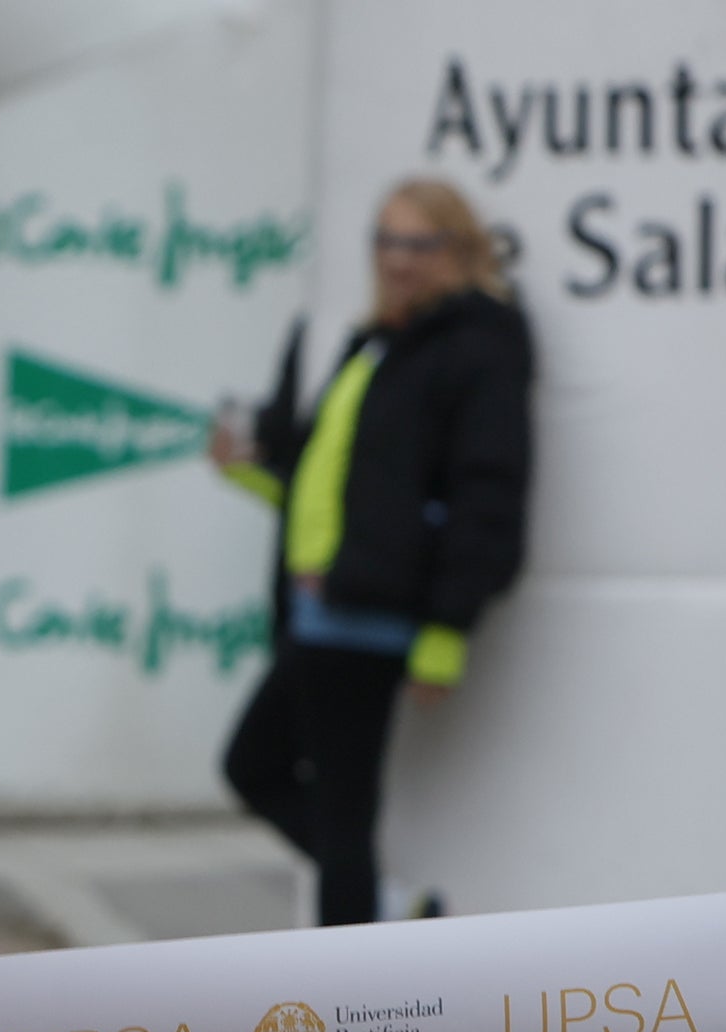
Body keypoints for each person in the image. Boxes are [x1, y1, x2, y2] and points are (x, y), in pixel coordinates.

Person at [214, 178, 533, 925]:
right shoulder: (379, 340)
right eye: (386, 240)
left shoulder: (477, 347)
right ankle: (388, 923)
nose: (397, 259)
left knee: (332, 810)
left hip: (371, 613)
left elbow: (489, 495)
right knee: (292, 790)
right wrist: (253, 461)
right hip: (322, 607)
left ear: (460, 250)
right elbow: (331, 478)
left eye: (418, 244)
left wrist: (447, 630)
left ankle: (356, 997)